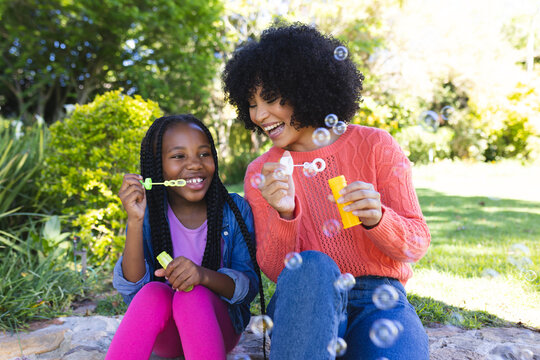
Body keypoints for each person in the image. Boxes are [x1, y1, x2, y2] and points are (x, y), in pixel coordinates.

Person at [222, 23, 430, 359]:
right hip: (305, 298)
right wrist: (285, 214)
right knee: (312, 265)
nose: (260, 115)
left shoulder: (375, 145)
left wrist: (379, 219)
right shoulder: (263, 172)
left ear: (306, 89)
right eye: (251, 104)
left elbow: (416, 242)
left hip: (377, 300)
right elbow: (277, 269)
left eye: (272, 99)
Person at [106, 114, 264, 360]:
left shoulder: (234, 210)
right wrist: (135, 220)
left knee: (192, 295)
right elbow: (133, 288)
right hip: (167, 336)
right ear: (157, 167)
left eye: (204, 154)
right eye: (179, 156)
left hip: (218, 329)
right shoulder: (148, 212)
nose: (195, 164)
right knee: (151, 293)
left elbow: (248, 288)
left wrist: (202, 276)